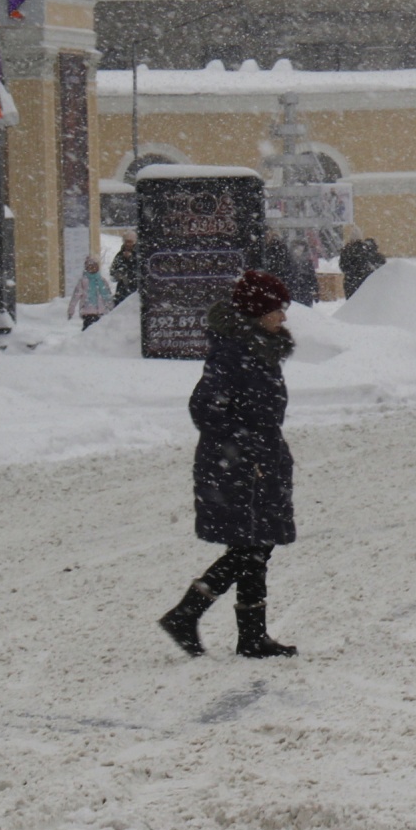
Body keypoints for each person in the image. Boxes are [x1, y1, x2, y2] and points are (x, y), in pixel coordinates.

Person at [158, 269, 299, 659]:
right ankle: (187, 613)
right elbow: (205, 408)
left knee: (256, 543)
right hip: (238, 465)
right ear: (257, 311)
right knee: (251, 546)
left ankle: (251, 636)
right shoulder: (234, 354)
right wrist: (245, 449)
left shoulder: (256, 350)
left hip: (258, 461)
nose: (283, 317)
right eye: (277, 309)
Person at [67, 254, 115, 330]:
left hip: (102, 312)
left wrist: (112, 308)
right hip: (88, 312)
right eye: (90, 266)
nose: (92, 268)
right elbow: (75, 297)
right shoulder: (83, 282)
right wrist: (71, 310)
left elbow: (107, 296)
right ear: (86, 268)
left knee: (100, 332)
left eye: (94, 266)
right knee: (88, 332)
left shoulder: (102, 281)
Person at [338, 226, 386, 299]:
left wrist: (350, 272)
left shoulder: (346, 250)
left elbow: (342, 266)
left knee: (351, 303)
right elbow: (366, 266)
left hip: (349, 282)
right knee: (361, 303)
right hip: (362, 281)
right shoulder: (364, 250)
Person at [110, 232, 139, 304]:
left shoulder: (139, 254)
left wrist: (131, 258)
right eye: (126, 241)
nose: (128, 244)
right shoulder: (119, 255)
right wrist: (118, 274)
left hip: (135, 286)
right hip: (122, 288)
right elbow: (113, 270)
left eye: (130, 242)